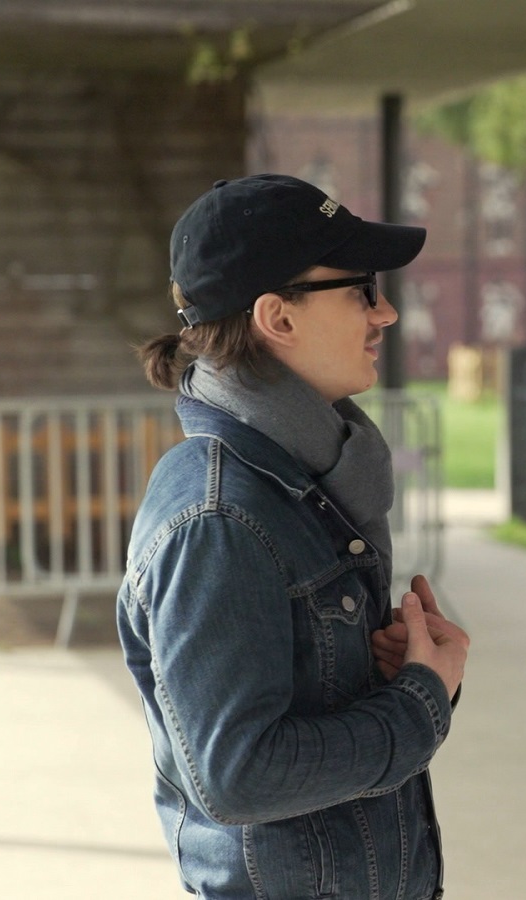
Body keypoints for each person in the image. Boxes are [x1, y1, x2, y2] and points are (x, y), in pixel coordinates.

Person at [118, 174, 470, 900]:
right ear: (277, 318)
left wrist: (396, 675)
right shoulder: (219, 517)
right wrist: (419, 705)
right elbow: (238, 774)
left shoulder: (308, 479)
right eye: (361, 289)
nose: (387, 312)